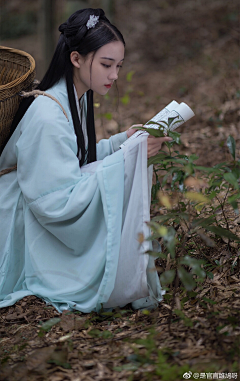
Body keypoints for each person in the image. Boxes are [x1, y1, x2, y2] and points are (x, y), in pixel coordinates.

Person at [0, 8, 172, 313]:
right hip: (17, 221)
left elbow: (77, 159)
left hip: (31, 203)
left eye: (118, 65)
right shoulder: (48, 116)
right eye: (106, 64)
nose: (115, 75)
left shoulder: (72, 98)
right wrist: (128, 158)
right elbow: (55, 201)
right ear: (76, 58)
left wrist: (126, 141)